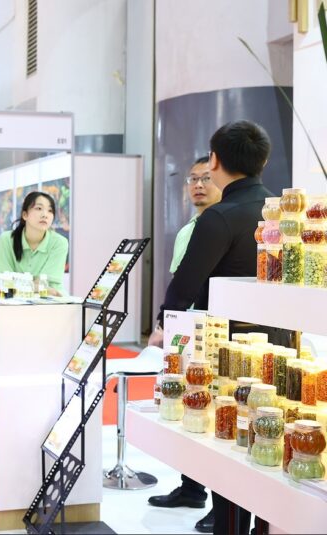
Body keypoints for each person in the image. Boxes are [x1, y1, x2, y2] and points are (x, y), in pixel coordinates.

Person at [149, 121, 274, 535]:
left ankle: (230, 525)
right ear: (263, 161)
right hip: (279, 347)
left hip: (227, 349)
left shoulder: (219, 217)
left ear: (215, 160)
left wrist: (163, 324)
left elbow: (185, 284)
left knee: (231, 440)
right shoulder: (276, 212)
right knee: (270, 439)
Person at [147, 155, 222, 534]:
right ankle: (192, 488)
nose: (198, 185)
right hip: (185, 331)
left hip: (215, 332)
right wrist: (164, 324)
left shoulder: (222, 225)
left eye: (206, 178)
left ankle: (222, 503)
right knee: (185, 404)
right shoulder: (187, 230)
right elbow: (178, 284)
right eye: (192, 179)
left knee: (215, 413)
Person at [0, 191, 69, 295]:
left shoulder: (59, 243)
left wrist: (18, 284)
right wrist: (35, 286)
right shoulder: (6, 240)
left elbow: (50, 285)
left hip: (51, 301)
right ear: (25, 215)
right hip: (13, 302)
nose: (45, 215)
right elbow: (2, 280)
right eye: (39, 208)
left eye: (50, 211)